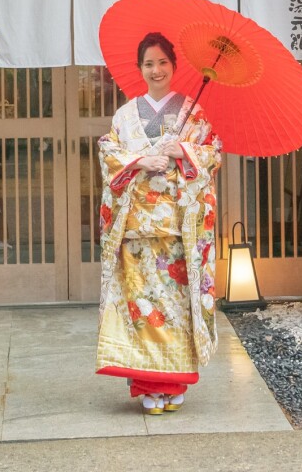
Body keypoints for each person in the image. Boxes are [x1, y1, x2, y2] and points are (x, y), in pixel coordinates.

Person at [95, 32, 222, 415]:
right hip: (136, 227)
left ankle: (175, 381)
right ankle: (150, 383)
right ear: (140, 69)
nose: (156, 70)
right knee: (142, 303)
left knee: (175, 304)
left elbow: (212, 154)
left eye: (162, 62)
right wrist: (140, 162)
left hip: (178, 227)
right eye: (148, 63)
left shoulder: (193, 113)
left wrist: (183, 150)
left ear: (174, 66)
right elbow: (109, 152)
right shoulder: (125, 114)